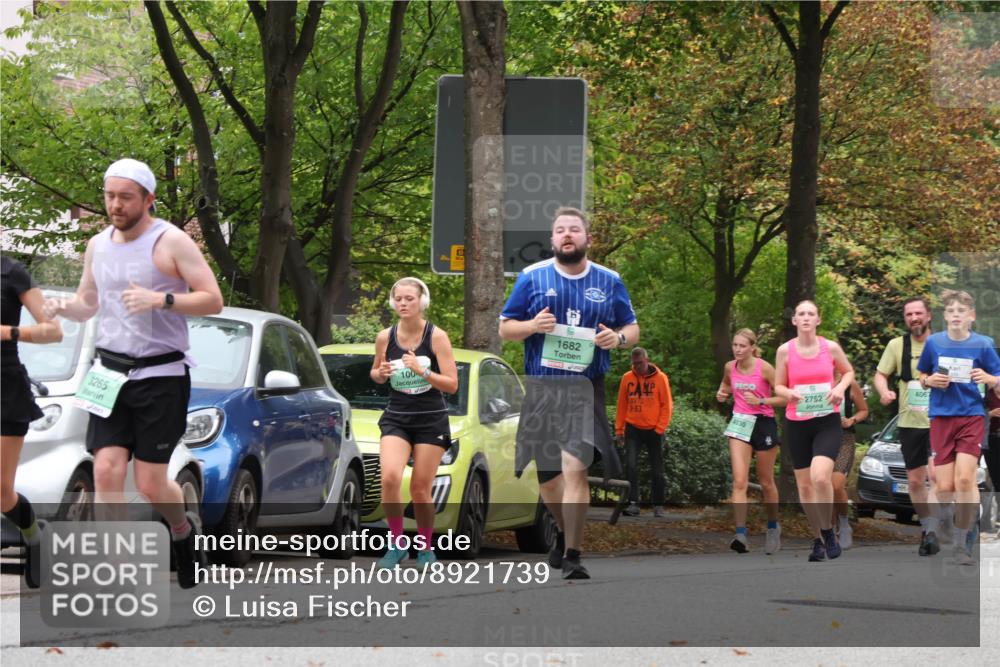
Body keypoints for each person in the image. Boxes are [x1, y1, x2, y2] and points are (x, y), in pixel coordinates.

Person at [42, 158, 223, 588]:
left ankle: (183, 532)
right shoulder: (97, 245)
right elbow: (89, 302)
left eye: (125, 197)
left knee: (149, 482)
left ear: (148, 199)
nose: (115, 205)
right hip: (108, 372)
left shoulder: (171, 241)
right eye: (109, 196)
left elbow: (212, 299)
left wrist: (162, 300)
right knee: (105, 469)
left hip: (161, 375)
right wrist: (63, 306)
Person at [500, 206, 639, 579]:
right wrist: (531, 325)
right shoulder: (532, 277)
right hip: (543, 386)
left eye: (574, 230)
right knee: (549, 480)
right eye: (560, 230)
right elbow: (505, 329)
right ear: (552, 240)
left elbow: (632, 328)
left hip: (584, 387)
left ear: (587, 238)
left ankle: (575, 555)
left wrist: (619, 338)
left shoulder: (609, 280)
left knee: (574, 469)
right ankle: (562, 533)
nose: (567, 235)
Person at [370, 277, 458, 568]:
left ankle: (424, 547)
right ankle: (395, 543)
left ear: (422, 302)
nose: (404, 303)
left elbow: (452, 385)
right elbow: (376, 373)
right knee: (390, 478)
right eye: (399, 299)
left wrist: (422, 371)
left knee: (420, 487)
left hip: (430, 419)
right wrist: (380, 373)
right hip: (397, 416)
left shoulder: (437, 337)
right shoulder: (385, 337)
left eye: (410, 298)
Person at [917, 290, 1000, 565]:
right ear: (945, 316)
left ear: (971, 316)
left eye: (960, 311)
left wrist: (989, 377)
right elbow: (922, 376)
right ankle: (931, 526)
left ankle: (963, 542)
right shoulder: (934, 343)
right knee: (945, 485)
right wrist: (930, 382)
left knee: (965, 479)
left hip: (971, 416)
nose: (955, 315)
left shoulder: (983, 344)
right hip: (941, 416)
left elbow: (997, 380)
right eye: (950, 311)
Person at [774, 300, 855, 562]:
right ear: (794, 321)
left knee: (821, 477)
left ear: (818, 320)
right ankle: (817, 539)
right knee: (805, 488)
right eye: (801, 314)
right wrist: (789, 392)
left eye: (811, 314)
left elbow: (848, 372)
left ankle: (828, 532)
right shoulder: (784, 351)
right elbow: (777, 386)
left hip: (826, 421)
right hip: (797, 423)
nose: (806, 318)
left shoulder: (829, 347)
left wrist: (840, 388)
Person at [1, 255, 63, 588]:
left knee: (1, 492)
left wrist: (7, 332)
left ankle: (33, 536)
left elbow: (53, 331)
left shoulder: (11, 272)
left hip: (5, 389)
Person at [874, 297, 941, 555]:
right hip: (910, 422)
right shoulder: (896, 345)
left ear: (928, 316)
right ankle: (927, 526)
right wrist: (884, 391)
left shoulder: (942, 343)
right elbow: (881, 375)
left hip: (940, 420)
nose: (914, 318)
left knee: (935, 476)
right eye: (909, 314)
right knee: (915, 481)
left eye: (918, 313)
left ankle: (933, 529)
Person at [716, 328, 785, 555]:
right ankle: (740, 534)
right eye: (735, 345)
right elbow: (726, 384)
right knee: (739, 481)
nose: (737, 349)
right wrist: (722, 393)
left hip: (763, 422)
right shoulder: (729, 367)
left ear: (752, 348)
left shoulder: (765, 368)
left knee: (766, 482)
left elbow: (784, 397)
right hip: (740, 423)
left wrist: (761, 400)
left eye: (742, 346)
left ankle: (773, 528)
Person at [615, 347, 673, 518]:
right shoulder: (627, 378)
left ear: (647, 360)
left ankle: (658, 505)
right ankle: (633, 503)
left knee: (657, 469)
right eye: (634, 363)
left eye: (640, 363)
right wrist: (619, 430)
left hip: (654, 429)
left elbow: (666, 405)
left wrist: (660, 428)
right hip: (633, 428)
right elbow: (622, 405)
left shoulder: (661, 378)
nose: (637, 366)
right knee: (631, 466)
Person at [831, 379, 867, 549]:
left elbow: (864, 410)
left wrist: (852, 419)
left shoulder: (850, 385)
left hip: (844, 438)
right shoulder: (816, 381)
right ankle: (828, 530)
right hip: (819, 436)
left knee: (836, 485)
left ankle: (844, 525)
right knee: (823, 485)